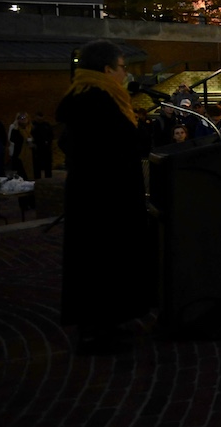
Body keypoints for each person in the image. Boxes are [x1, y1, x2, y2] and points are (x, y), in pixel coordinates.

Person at [56, 39, 153, 355]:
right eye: (123, 68)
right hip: (106, 198)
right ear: (107, 69)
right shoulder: (100, 100)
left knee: (97, 261)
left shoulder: (82, 96)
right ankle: (96, 328)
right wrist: (141, 134)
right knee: (102, 260)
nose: (125, 75)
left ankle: (103, 323)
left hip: (93, 194)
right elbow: (120, 145)